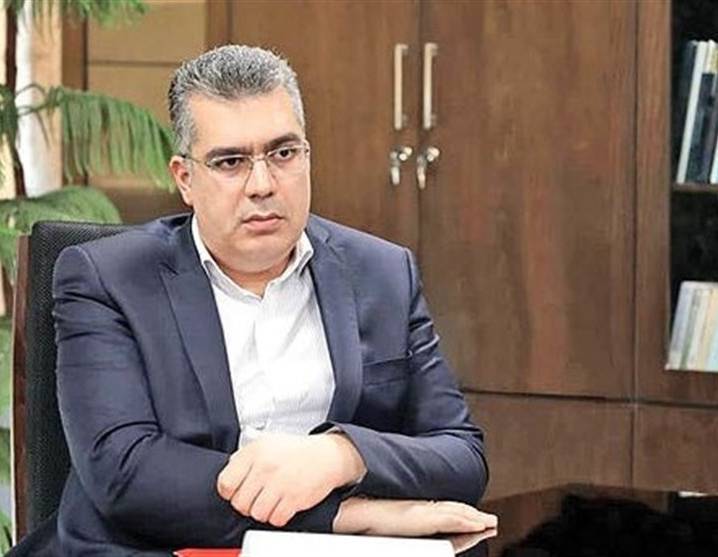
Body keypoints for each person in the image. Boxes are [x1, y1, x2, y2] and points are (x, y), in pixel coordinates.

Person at [42, 45, 495, 555]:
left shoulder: (382, 273)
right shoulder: (108, 278)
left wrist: (340, 456)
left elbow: (461, 456)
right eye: (230, 162)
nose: (262, 185)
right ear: (185, 179)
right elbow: (124, 473)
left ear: (307, 156)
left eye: (283, 154)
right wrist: (343, 516)